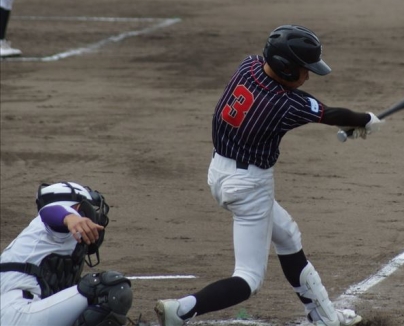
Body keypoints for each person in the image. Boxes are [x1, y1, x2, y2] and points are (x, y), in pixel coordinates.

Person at [155, 25, 383, 326]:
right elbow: (329, 114)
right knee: (248, 278)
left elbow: (327, 115)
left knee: (287, 235)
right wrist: (365, 120)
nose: (308, 75)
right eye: (304, 69)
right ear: (286, 68)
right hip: (249, 187)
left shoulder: (248, 66)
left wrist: (349, 122)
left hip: (221, 171)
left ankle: (324, 317)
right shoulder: (284, 104)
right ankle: (180, 310)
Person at [0, 182, 133, 326]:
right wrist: (70, 217)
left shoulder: (51, 242)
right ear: (77, 208)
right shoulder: (53, 224)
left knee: (89, 300)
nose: (96, 216)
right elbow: (49, 212)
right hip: (17, 313)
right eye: (91, 209)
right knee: (107, 287)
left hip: (25, 314)